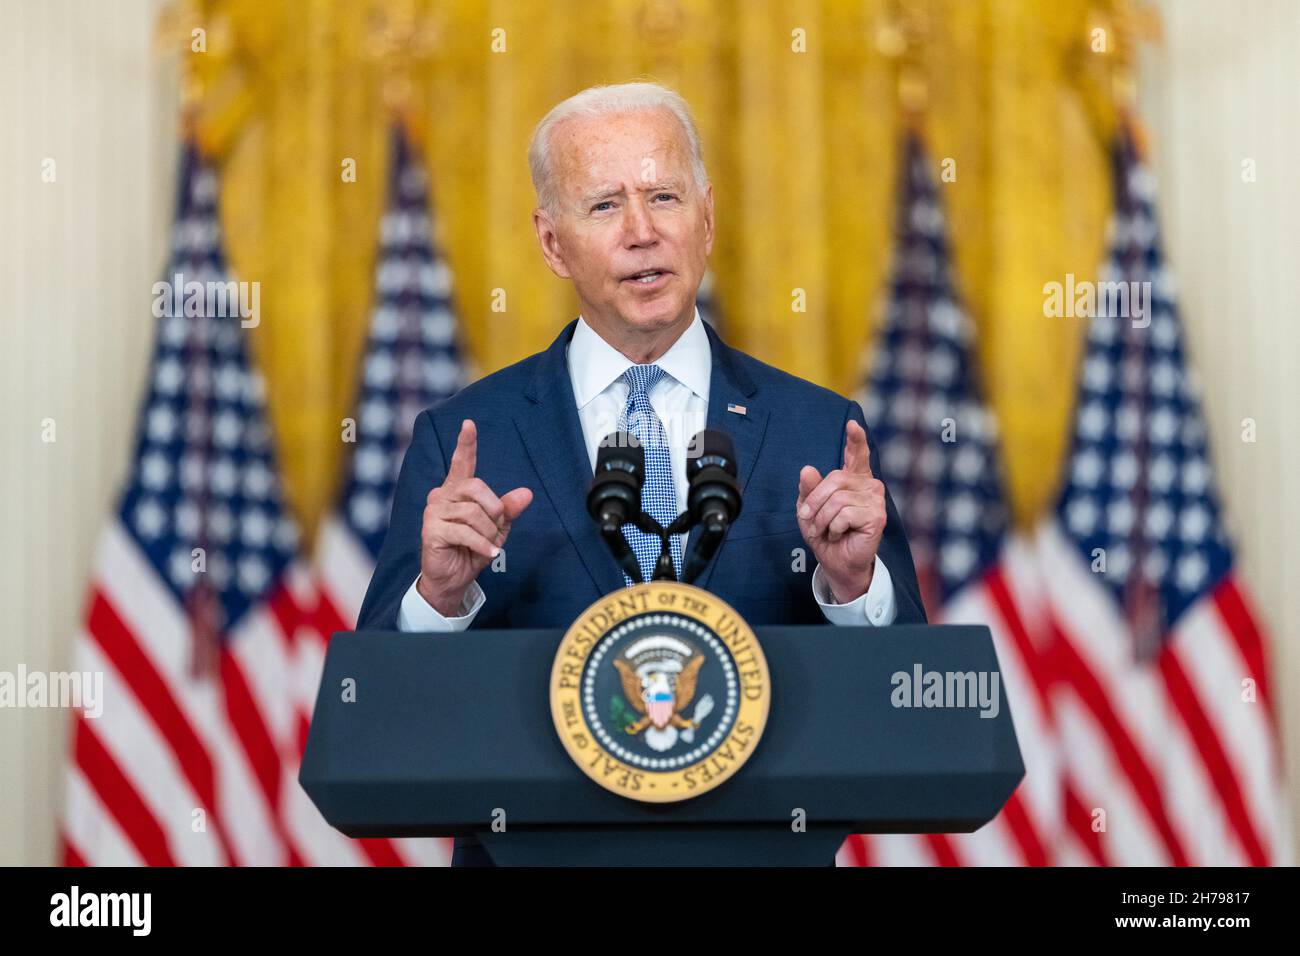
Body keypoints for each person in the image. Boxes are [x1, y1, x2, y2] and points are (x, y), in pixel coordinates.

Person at [357, 82, 926, 867]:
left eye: (664, 196)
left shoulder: (818, 429)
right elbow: (374, 712)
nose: (642, 233)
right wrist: (439, 600)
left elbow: (911, 699)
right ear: (552, 243)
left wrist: (857, 589)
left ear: (708, 218)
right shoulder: (466, 440)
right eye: (603, 207)